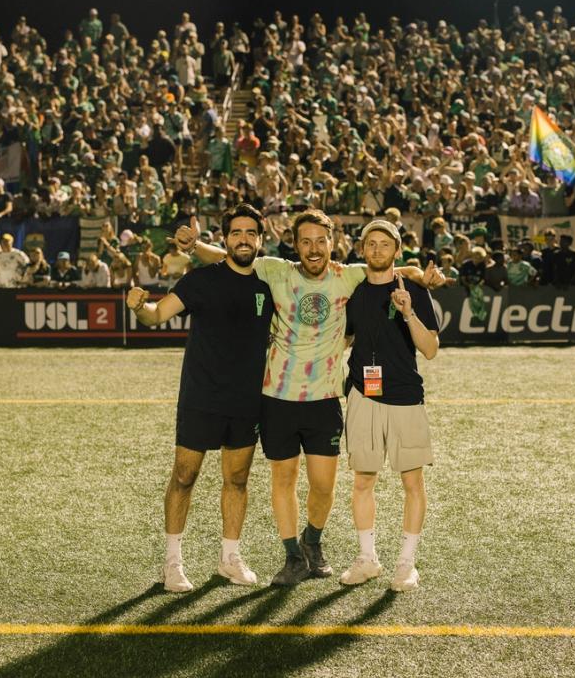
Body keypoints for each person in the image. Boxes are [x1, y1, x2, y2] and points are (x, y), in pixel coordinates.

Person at [179, 209, 443, 586]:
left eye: (321, 241)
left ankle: (313, 541)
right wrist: (195, 247)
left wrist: (419, 274)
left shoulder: (347, 275)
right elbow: (227, 257)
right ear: (295, 244)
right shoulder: (275, 269)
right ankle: (292, 557)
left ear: (332, 244)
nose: (314, 248)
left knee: (323, 485)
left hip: (325, 398)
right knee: (283, 479)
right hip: (278, 396)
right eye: (306, 241)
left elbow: (386, 268)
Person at [127, 204, 273, 592]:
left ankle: (230, 558)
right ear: (225, 238)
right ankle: (172, 563)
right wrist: (140, 307)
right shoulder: (201, 280)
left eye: (250, 233)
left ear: (261, 239)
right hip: (201, 395)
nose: (244, 239)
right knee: (184, 476)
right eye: (236, 232)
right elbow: (157, 315)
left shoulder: (270, 283)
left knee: (237, 479)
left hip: (246, 399)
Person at [339, 220, 439, 592]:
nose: (377, 250)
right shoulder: (353, 291)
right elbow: (346, 338)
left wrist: (409, 311)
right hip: (363, 395)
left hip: (405, 397)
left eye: (385, 244)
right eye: (371, 244)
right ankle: (367, 560)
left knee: (412, 481)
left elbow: (429, 349)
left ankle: (406, 564)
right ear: (362, 249)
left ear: (398, 250)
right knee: (363, 480)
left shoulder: (413, 289)